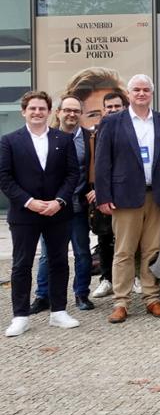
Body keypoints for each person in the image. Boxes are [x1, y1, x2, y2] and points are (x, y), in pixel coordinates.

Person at [93, 73, 160, 323]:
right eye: (136, 89)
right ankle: (121, 301)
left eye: (146, 90)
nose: (141, 93)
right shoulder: (112, 122)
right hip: (124, 197)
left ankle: (151, 298)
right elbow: (102, 162)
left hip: (157, 195)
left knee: (153, 250)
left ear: (152, 93)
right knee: (124, 251)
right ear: (129, 94)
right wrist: (103, 196)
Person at [0, 91, 82, 337]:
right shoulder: (9, 140)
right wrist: (28, 202)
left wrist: (59, 200)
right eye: (32, 108)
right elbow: (4, 177)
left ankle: (58, 311)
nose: (37, 112)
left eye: (42, 109)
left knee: (59, 261)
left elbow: (72, 174)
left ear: (49, 112)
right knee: (22, 264)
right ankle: (20, 316)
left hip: (57, 211)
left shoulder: (63, 139)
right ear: (23, 111)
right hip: (25, 214)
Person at [32, 96, 90, 313]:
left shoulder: (89, 138)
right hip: (51, 208)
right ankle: (42, 296)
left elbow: (93, 169)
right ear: (58, 112)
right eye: (67, 110)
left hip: (77, 206)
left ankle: (81, 293)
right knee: (48, 254)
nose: (71, 114)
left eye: (76, 111)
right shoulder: (46, 136)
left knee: (82, 253)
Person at [88, 91, 128, 300]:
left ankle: (133, 277)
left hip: (125, 192)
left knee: (129, 239)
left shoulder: (132, 130)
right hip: (103, 194)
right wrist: (98, 189)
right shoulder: (95, 132)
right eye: (109, 107)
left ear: (124, 107)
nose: (113, 110)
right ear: (104, 110)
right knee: (104, 238)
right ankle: (107, 279)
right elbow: (94, 164)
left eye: (117, 106)